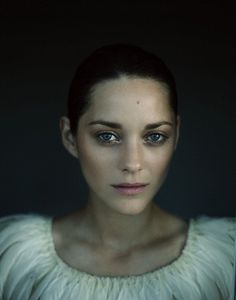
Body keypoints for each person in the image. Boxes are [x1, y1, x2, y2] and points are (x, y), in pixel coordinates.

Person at [0, 44, 235, 300]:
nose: (132, 163)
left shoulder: (223, 262)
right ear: (70, 137)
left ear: (176, 134)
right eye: (107, 136)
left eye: (155, 136)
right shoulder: (15, 262)